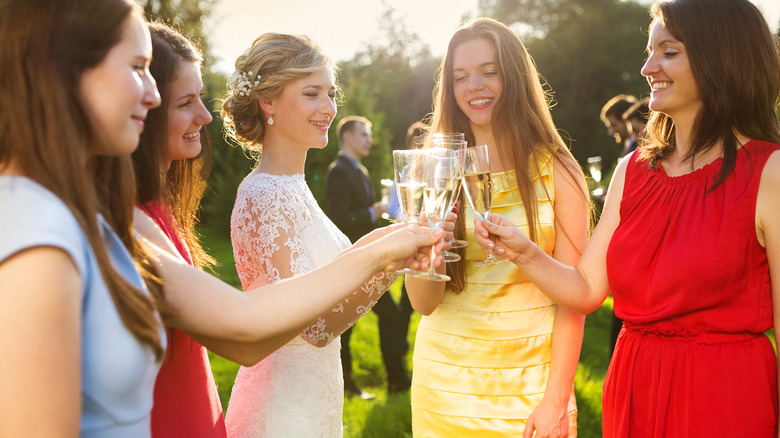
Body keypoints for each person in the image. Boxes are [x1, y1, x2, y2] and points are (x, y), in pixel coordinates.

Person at [0, 2, 443, 434]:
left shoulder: (108, 219)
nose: (152, 94)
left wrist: (386, 247)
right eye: (137, 68)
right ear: (65, 73)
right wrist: (385, 254)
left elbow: (242, 328)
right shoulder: (39, 234)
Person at [475, 0, 780, 435]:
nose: (647, 67)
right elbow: (585, 290)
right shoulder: (632, 171)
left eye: (668, 51)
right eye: (649, 52)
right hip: (634, 387)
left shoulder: (770, 173)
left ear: (722, 57)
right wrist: (524, 252)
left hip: (723, 398)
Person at [221, 33, 431, 436]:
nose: (328, 108)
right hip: (283, 406)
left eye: (331, 94)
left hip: (316, 397)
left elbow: (335, 270)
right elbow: (313, 328)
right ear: (268, 102)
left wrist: (397, 238)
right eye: (312, 93)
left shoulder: (294, 185)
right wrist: (389, 263)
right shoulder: (263, 195)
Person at [406, 17, 590, 437]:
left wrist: (556, 400)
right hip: (445, 385)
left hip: (531, 386)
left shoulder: (558, 171)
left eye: (490, 71)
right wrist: (427, 258)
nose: (475, 86)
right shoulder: (434, 172)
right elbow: (422, 303)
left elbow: (575, 298)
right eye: (461, 76)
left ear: (515, 76)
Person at [325, 115, 411, 398]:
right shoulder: (339, 170)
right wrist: (372, 213)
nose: (369, 140)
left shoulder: (358, 169)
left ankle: (393, 379)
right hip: (352, 259)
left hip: (366, 257)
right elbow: (337, 217)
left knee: (381, 317)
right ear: (347, 136)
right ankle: (355, 384)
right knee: (347, 327)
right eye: (363, 134)